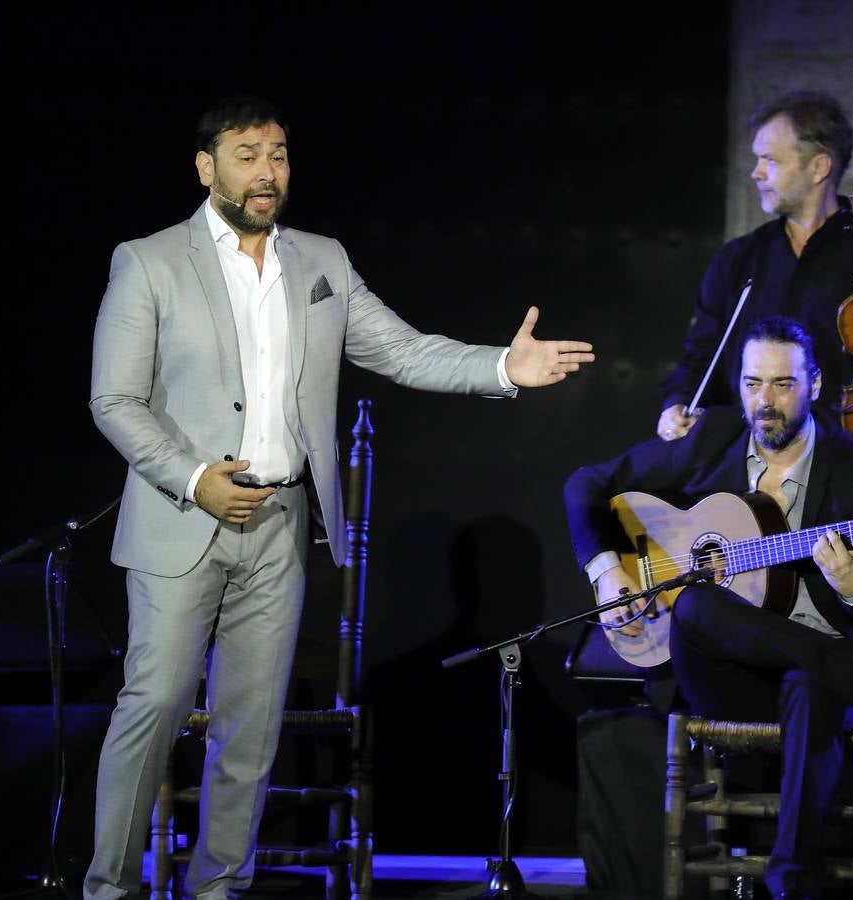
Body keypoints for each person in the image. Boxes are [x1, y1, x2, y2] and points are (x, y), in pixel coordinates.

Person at [85, 94, 595, 900]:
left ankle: (217, 890)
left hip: (281, 522)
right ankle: (108, 889)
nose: (267, 172)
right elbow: (114, 400)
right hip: (185, 514)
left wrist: (503, 367)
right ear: (205, 166)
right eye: (247, 155)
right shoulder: (148, 261)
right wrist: (193, 477)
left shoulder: (320, 260)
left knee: (249, 733)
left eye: (279, 155)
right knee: (153, 710)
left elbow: (400, 350)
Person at [564, 316, 853, 900]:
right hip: (729, 676)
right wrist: (607, 572)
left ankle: (791, 883)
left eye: (783, 385)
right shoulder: (712, 438)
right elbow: (585, 484)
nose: (765, 403)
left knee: (812, 686)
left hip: (816, 681)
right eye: (752, 383)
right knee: (693, 607)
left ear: (815, 386)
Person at [656, 91, 853, 443]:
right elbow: (700, 355)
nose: (756, 173)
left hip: (847, 450)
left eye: (770, 161)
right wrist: (676, 405)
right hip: (747, 454)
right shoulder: (737, 260)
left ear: (819, 167)